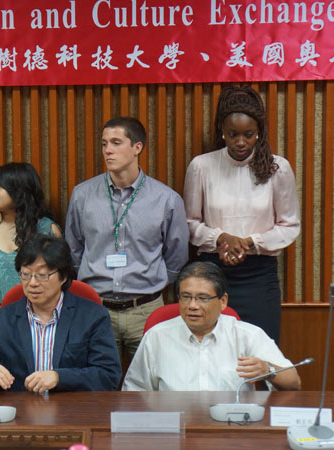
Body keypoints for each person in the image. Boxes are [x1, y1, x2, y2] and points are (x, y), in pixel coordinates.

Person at [65, 116, 188, 365]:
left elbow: (176, 256)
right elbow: (74, 248)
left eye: (116, 142)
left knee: (150, 383)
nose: (107, 150)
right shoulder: (82, 195)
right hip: (96, 307)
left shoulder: (166, 199)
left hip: (146, 309)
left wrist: (151, 280)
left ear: (137, 147)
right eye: (104, 143)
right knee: (95, 382)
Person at [183, 86, 300, 344]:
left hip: (259, 275)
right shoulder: (201, 166)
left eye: (248, 135)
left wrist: (248, 243)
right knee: (213, 349)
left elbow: (289, 224)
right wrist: (221, 238)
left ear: (259, 132)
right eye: (233, 134)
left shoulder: (277, 168)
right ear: (222, 131)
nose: (240, 142)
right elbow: (190, 223)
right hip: (213, 273)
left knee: (260, 350)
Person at [0, 235, 122, 393]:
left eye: (42, 275)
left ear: (63, 276)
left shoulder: (93, 316)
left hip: (71, 406)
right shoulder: (1, 320)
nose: (32, 283)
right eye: (26, 274)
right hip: (20, 406)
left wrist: (59, 377)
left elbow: (108, 375)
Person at [123, 261, 301, 391]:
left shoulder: (247, 335)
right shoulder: (156, 337)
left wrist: (268, 370)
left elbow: (294, 383)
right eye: (186, 297)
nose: (192, 305)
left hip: (232, 426)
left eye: (203, 298)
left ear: (223, 301)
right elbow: (134, 391)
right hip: (174, 425)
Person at [0, 162, 61, 356]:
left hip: (38, 320)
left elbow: (59, 280)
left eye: (1, 186)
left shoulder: (47, 229)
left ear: (19, 191)